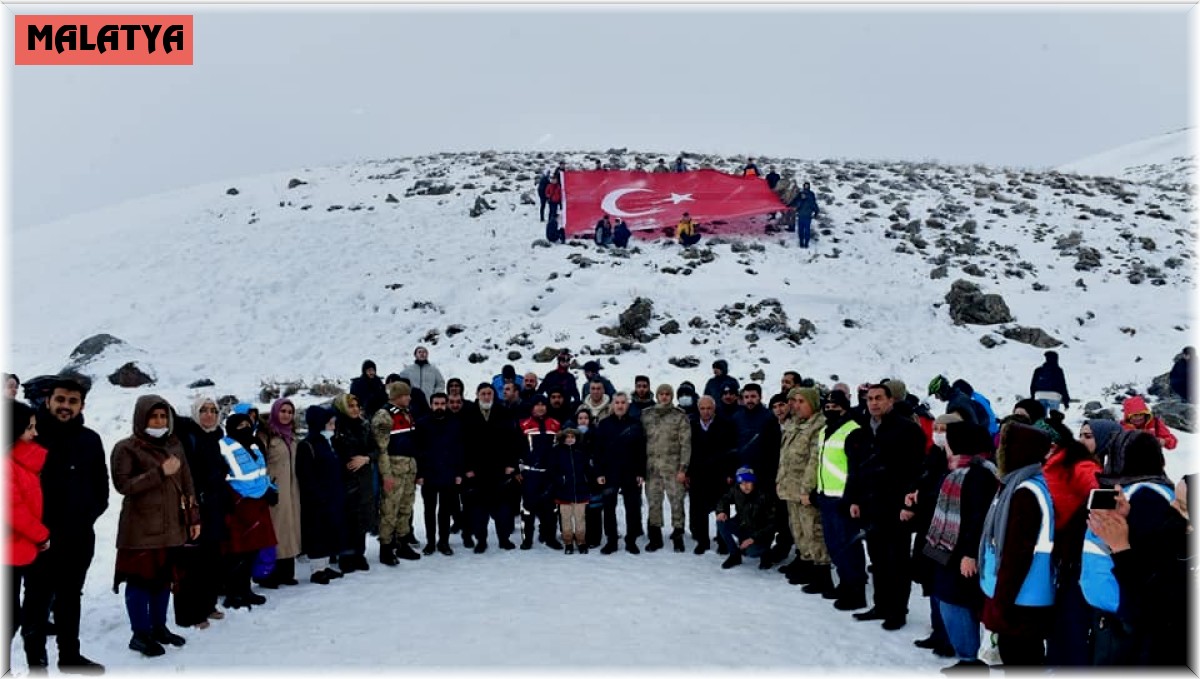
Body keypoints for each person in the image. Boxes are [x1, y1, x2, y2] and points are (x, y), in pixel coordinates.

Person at [22, 377, 107, 673]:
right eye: (60, 400)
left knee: (71, 598)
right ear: (48, 401)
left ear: (82, 405)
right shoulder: (31, 437)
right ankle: (37, 665)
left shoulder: (90, 439)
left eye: (72, 401)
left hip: (79, 537)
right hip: (38, 539)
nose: (65, 406)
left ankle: (70, 657)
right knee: (36, 601)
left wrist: (88, 514)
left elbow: (101, 487)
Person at [111, 395, 199, 657]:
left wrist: (193, 517)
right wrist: (160, 472)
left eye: (163, 416)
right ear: (141, 418)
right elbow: (123, 485)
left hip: (172, 526)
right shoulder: (126, 448)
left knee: (163, 580)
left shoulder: (175, 445)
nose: (159, 421)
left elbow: (187, 484)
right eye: (153, 416)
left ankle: (159, 627)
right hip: (140, 529)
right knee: (139, 582)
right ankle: (140, 634)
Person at [1085, 452, 1188, 666]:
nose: (1172, 507)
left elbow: (1149, 606)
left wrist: (1121, 549)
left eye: (1182, 506)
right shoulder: (1176, 535)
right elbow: (1152, 561)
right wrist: (1128, 516)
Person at [922, 422, 1000, 672]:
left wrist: (969, 553)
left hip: (960, 554)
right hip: (948, 550)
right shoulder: (961, 470)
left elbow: (978, 518)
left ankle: (970, 661)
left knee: (956, 603)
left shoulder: (977, 475)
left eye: (950, 438)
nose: (945, 443)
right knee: (952, 601)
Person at [848, 384, 927, 631]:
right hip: (872, 505)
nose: (873, 403)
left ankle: (898, 610)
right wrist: (854, 499)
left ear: (890, 400)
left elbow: (916, 470)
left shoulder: (907, 429)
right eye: (869, 399)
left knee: (898, 561)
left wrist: (909, 503)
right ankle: (880, 604)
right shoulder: (864, 431)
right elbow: (857, 470)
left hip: (896, 507)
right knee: (878, 559)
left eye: (879, 398)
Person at [978, 422, 1056, 667]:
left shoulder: (1025, 492)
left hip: (1022, 600)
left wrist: (1001, 604)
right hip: (1025, 597)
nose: (1000, 451)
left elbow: (1017, 554)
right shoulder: (1022, 484)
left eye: (1005, 446)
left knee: (1020, 660)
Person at [1038, 412, 1102, 667]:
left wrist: (1087, 523)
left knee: (1073, 615)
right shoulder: (1056, 461)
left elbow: (1101, 494)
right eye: (1082, 435)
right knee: (1061, 612)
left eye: (1090, 436)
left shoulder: (1078, 464)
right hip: (1060, 549)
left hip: (1076, 551)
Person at [171, 397, 228, 632]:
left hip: (214, 506)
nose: (209, 415)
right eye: (203, 410)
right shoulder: (188, 436)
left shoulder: (215, 437)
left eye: (213, 411)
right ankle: (189, 613)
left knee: (211, 559)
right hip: (194, 506)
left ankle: (207, 604)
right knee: (191, 562)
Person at [813, 390, 869, 611]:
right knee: (834, 545)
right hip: (826, 495)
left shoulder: (853, 430)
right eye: (827, 406)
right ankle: (845, 584)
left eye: (835, 406)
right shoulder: (825, 430)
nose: (830, 409)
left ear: (845, 406)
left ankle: (856, 591)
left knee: (849, 547)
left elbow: (857, 468)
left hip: (844, 498)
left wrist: (854, 497)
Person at [7, 400, 49, 675]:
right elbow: (13, 509)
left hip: (31, 550)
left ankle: (38, 666)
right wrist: (42, 534)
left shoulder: (25, 461)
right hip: (12, 552)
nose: (34, 433)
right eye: (29, 428)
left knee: (35, 615)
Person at [216, 414, 275, 611]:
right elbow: (222, 474)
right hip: (237, 502)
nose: (244, 428)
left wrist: (269, 490)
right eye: (239, 425)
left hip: (257, 501)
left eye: (247, 425)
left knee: (252, 548)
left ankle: (245, 589)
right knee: (237, 551)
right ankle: (233, 593)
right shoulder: (223, 446)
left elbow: (261, 472)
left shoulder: (255, 444)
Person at [778, 388, 831, 586]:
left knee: (812, 531)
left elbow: (814, 461)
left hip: (804, 490)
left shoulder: (818, 426)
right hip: (790, 487)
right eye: (794, 401)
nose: (796, 405)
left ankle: (821, 570)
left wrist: (806, 489)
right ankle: (806, 561)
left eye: (801, 401)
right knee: (798, 529)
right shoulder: (794, 424)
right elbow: (785, 458)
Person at [462, 383, 520, 553]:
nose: (487, 396)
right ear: (477, 394)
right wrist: (467, 467)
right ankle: (481, 540)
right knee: (479, 509)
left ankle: (504, 539)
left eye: (489, 393)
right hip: (477, 469)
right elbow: (464, 443)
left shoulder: (503, 412)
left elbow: (512, 440)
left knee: (502, 507)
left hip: (499, 468)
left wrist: (511, 464)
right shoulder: (469, 413)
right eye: (483, 393)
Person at [371, 382, 423, 563]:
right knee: (389, 510)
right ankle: (385, 547)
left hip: (408, 469)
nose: (409, 398)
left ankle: (402, 543)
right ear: (397, 396)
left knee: (405, 509)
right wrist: (386, 475)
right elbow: (381, 449)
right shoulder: (383, 417)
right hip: (393, 470)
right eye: (406, 395)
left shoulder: (406, 413)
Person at [296, 406, 346, 585]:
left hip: (332, 496)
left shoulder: (328, 443)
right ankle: (317, 570)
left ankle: (324, 566)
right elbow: (306, 475)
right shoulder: (307, 445)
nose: (333, 427)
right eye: (330, 423)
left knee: (330, 531)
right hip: (317, 500)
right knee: (318, 533)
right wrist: (317, 495)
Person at [256, 399, 302, 587]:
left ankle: (286, 572)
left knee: (290, 529)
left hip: (291, 490)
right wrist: (266, 487)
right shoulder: (265, 436)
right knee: (275, 531)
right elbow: (259, 464)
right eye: (283, 411)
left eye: (290, 412)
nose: (286, 415)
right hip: (273, 490)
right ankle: (268, 574)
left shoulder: (291, 436)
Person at [594, 392, 647, 554]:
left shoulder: (636, 424)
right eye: (617, 402)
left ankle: (631, 540)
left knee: (632, 507)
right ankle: (611, 540)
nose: (620, 405)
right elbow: (598, 451)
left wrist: (640, 472)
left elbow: (641, 451)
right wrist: (599, 472)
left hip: (630, 471)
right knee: (609, 507)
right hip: (610, 472)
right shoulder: (604, 424)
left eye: (623, 402)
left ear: (628, 405)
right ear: (612, 405)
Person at [641, 384, 692, 552]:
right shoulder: (647, 415)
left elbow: (686, 444)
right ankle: (655, 538)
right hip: (652, 468)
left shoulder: (679, 416)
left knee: (676, 502)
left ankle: (678, 535)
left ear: (672, 396)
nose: (664, 397)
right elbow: (640, 443)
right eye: (661, 394)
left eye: (667, 394)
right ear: (657, 395)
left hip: (673, 468)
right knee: (654, 502)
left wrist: (683, 469)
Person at [416, 393, 466, 556]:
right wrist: (420, 473)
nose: (439, 407)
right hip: (429, 473)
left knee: (445, 510)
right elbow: (418, 451)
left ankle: (443, 542)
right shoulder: (422, 424)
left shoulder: (455, 423)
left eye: (442, 403)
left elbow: (459, 450)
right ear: (431, 405)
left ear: (446, 405)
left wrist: (459, 472)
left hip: (448, 473)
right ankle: (430, 542)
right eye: (436, 403)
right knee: (429, 510)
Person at [330, 394, 375, 573]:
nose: (355, 409)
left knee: (362, 517)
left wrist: (365, 458)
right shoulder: (336, 428)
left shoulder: (364, 426)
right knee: (346, 518)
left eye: (357, 405)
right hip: (344, 479)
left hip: (363, 478)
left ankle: (359, 554)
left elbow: (375, 449)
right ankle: (345, 555)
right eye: (351, 406)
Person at [688, 396, 737, 556]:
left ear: (714, 408)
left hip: (719, 474)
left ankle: (722, 540)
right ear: (698, 409)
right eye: (702, 408)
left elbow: (732, 451)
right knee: (699, 510)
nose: (706, 411)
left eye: (709, 408)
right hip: (698, 473)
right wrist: (687, 472)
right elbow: (687, 451)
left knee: (721, 508)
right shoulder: (691, 425)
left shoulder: (726, 425)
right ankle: (702, 541)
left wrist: (730, 472)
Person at [517, 396, 562, 550]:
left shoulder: (555, 424)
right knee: (528, 508)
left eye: (543, 405)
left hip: (549, 473)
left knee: (551, 508)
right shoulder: (523, 424)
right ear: (532, 407)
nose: (541, 408)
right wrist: (518, 469)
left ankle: (550, 537)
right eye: (537, 405)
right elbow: (515, 448)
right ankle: (527, 539)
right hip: (531, 473)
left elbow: (559, 449)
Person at [715, 467, 775, 569]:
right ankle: (735, 555)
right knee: (721, 522)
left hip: (760, 533)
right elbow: (724, 499)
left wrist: (753, 539)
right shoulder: (737, 489)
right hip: (743, 526)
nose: (744, 486)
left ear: (753, 482)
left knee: (751, 552)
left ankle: (766, 553)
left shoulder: (765, 495)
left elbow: (773, 524)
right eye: (741, 483)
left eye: (748, 482)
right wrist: (721, 511)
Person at [790, 181, 820, 248]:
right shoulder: (800, 198)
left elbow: (815, 206)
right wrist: (789, 205)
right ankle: (801, 242)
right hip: (800, 217)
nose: (802, 196)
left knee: (807, 231)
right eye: (805, 185)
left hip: (807, 217)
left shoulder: (811, 197)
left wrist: (815, 214)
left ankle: (806, 243)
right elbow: (795, 201)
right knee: (800, 230)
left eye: (807, 185)